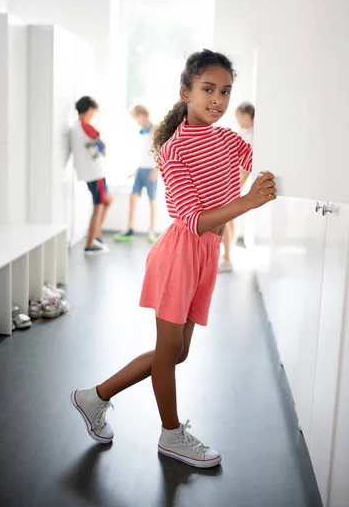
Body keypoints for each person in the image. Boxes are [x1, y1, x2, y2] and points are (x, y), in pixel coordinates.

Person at [70, 50, 276, 468]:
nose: (217, 100)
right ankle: (170, 435)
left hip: (205, 254)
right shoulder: (173, 148)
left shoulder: (226, 139)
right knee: (169, 352)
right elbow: (193, 219)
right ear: (186, 92)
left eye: (225, 92)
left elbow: (260, 162)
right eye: (207, 89)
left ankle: (93, 398)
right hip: (180, 253)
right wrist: (248, 202)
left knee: (176, 352)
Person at [70, 96, 113, 255]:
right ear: (89, 110)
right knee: (99, 205)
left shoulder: (76, 127)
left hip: (90, 172)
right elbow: (102, 144)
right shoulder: (85, 126)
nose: (93, 114)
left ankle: (96, 235)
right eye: (93, 111)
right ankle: (90, 244)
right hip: (96, 173)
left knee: (108, 200)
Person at [218, 101, 255, 273]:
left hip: (235, 183)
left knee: (225, 217)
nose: (238, 120)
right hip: (231, 180)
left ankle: (227, 258)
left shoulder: (252, 136)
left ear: (247, 116)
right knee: (229, 218)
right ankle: (228, 253)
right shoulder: (243, 133)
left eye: (239, 117)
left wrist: (237, 186)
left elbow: (247, 166)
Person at [114, 105, 158, 244]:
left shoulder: (156, 129)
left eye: (135, 117)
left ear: (142, 114)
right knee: (133, 197)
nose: (136, 121)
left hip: (151, 169)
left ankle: (152, 230)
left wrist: (158, 169)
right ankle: (130, 229)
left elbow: (161, 149)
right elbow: (144, 152)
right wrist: (135, 171)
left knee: (152, 200)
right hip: (141, 169)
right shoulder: (142, 131)